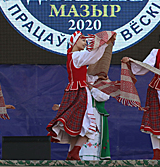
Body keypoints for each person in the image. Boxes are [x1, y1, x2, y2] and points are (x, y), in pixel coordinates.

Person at [46, 30, 116, 160]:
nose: (85, 43)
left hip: (74, 91)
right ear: (74, 42)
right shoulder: (77, 56)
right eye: (82, 40)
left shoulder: (72, 56)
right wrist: (105, 44)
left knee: (78, 126)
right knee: (89, 126)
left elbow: (92, 60)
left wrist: (105, 45)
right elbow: (93, 57)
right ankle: (74, 152)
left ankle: (72, 153)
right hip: (80, 92)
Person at [121, 27, 160, 160]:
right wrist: (131, 62)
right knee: (154, 120)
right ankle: (156, 154)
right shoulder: (155, 53)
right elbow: (145, 67)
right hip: (155, 90)